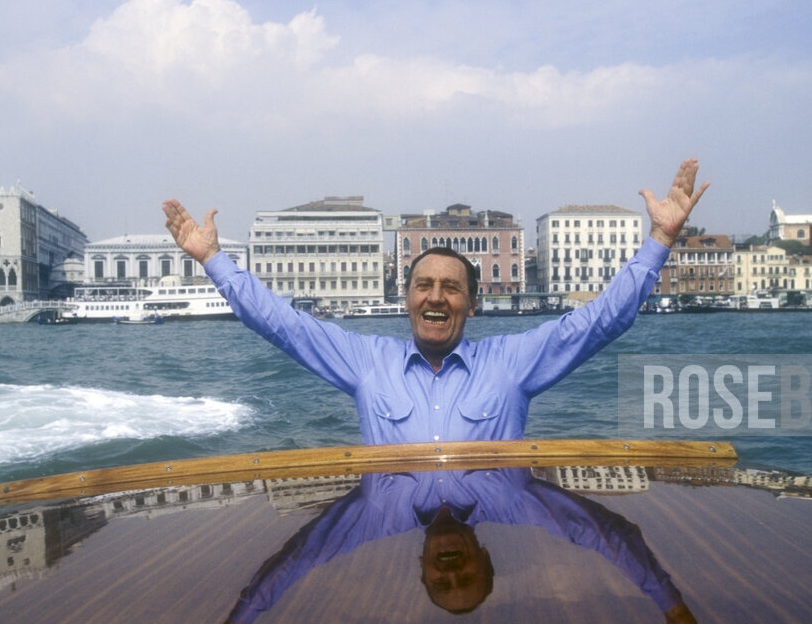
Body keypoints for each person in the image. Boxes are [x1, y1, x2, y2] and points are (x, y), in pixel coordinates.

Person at [162, 158, 708, 446]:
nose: (436, 298)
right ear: (407, 299)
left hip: (490, 522)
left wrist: (659, 240)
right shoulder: (364, 362)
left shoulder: (514, 362)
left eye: (451, 289)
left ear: (471, 304)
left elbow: (600, 322)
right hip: (395, 536)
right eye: (424, 286)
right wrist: (213, 260)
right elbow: (281, 324)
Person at [193, 467, 723, 624]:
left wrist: (240, 620)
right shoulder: (513, 497)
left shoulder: (376, 513)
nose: (452, 573)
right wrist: (672, 607)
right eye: (466, 579)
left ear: (420, 568)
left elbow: (302, 555)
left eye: (440, 582)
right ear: (485, 557)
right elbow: (608, 534)